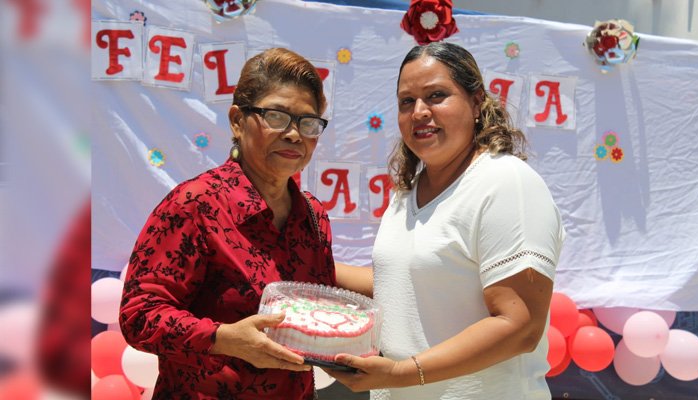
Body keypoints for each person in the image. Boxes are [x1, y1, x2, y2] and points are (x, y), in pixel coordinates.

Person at [327, 42, 566, 399]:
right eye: (406, 101)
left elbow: (519, 326)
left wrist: (401, 373)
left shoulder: (505, 182)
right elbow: (404, 283)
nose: (420, 111)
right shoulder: (406, 192)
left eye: (437, 95)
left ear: (476, 102)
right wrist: (305, 265)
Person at [119, 48, 335, 399]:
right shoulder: (196, 205)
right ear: (237, 120)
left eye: (308, 122)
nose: (295, 134)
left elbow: (314, 313)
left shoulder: (313, 216)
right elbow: (139, 315)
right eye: (277, 116)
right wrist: (223, 339)